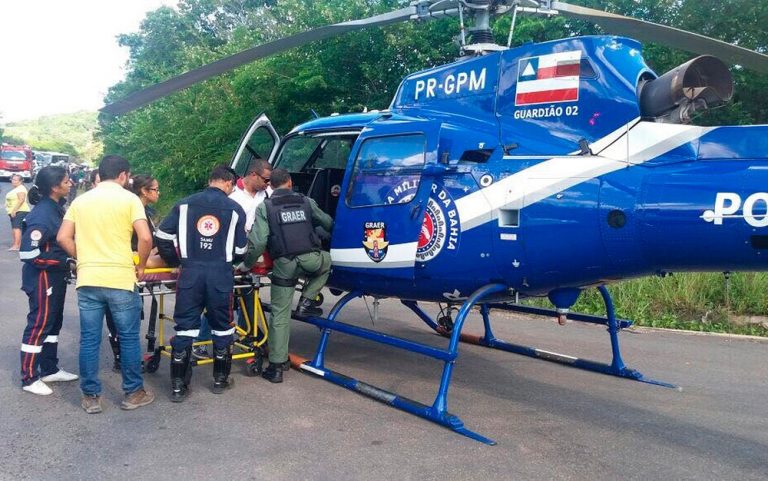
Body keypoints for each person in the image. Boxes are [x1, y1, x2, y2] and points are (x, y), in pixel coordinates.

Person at [57, 155, 155, 414]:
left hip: (88, 279)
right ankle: (133, 393)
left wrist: (83, 258)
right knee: (129, 337)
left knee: (89, 339)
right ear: (123, 175)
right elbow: (145, 237)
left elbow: (62, 237)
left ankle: (91, 397)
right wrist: (142, 265)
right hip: (121, 279)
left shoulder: (81, 200)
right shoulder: (130, 199)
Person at [155, 165, 247, 401]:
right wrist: (228, 261)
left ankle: (177, 387)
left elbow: (162, 237)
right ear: (229, 183)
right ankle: (220, 380)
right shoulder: (235, 209)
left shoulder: (184, 204)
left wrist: (176, 260)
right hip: (220, 275)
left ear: (210, 179)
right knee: (223, 327)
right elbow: (240, 250)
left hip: (190, 273)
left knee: (185, 327)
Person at [243, 168, 333, 383]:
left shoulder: (266, 207)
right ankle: (306, 301)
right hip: (311, 259)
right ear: (290, 182)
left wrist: (246, 265)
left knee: (280, 315)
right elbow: (328, 222)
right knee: (327, 262)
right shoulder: (306, 202)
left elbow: (258, 241)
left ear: (271, 186)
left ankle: (277, 366)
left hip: (284, 264)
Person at [193, 160, 273, 360]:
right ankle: (201, 342)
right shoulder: (232, 197)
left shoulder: (268, 194)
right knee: (219, 299)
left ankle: (246, 336)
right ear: (253, 175)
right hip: (230, 254)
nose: (267, 183)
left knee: (248, 293)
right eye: (265, 179)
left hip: (255, 253)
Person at [18, 167, 79, 395]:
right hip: (42, 278)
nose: (71, 183)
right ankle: (29, 377)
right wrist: (65, 263)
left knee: (53, 324)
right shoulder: (42, 214)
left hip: (56, 278)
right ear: (54, 187)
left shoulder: (56, 208)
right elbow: (28, 253)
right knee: (39, 324)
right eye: (66, 181)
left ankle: (49, 368)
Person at [105, 174, 165, 372]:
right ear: (144, 191)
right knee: (121, 314)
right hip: (127, 263)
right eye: (155, 189)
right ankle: (122, 358)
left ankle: (124, 356)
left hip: (136, 260)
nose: (159, 192)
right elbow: (141, 240)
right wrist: (145, 261)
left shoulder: (145, 211)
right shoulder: (131, 209)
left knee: (130, 314)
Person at [6, 174, 31, 251]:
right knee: (15, 227)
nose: (13, 181)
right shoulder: (17, 188)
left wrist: (14, 210)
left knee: (17, 228)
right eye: (12, 179)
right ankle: (17, 244)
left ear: (20, 181)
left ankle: (16, 245)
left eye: (15, 180)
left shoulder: (20, 189)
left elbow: (21, 199)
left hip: (20, 211)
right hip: (15, 211)